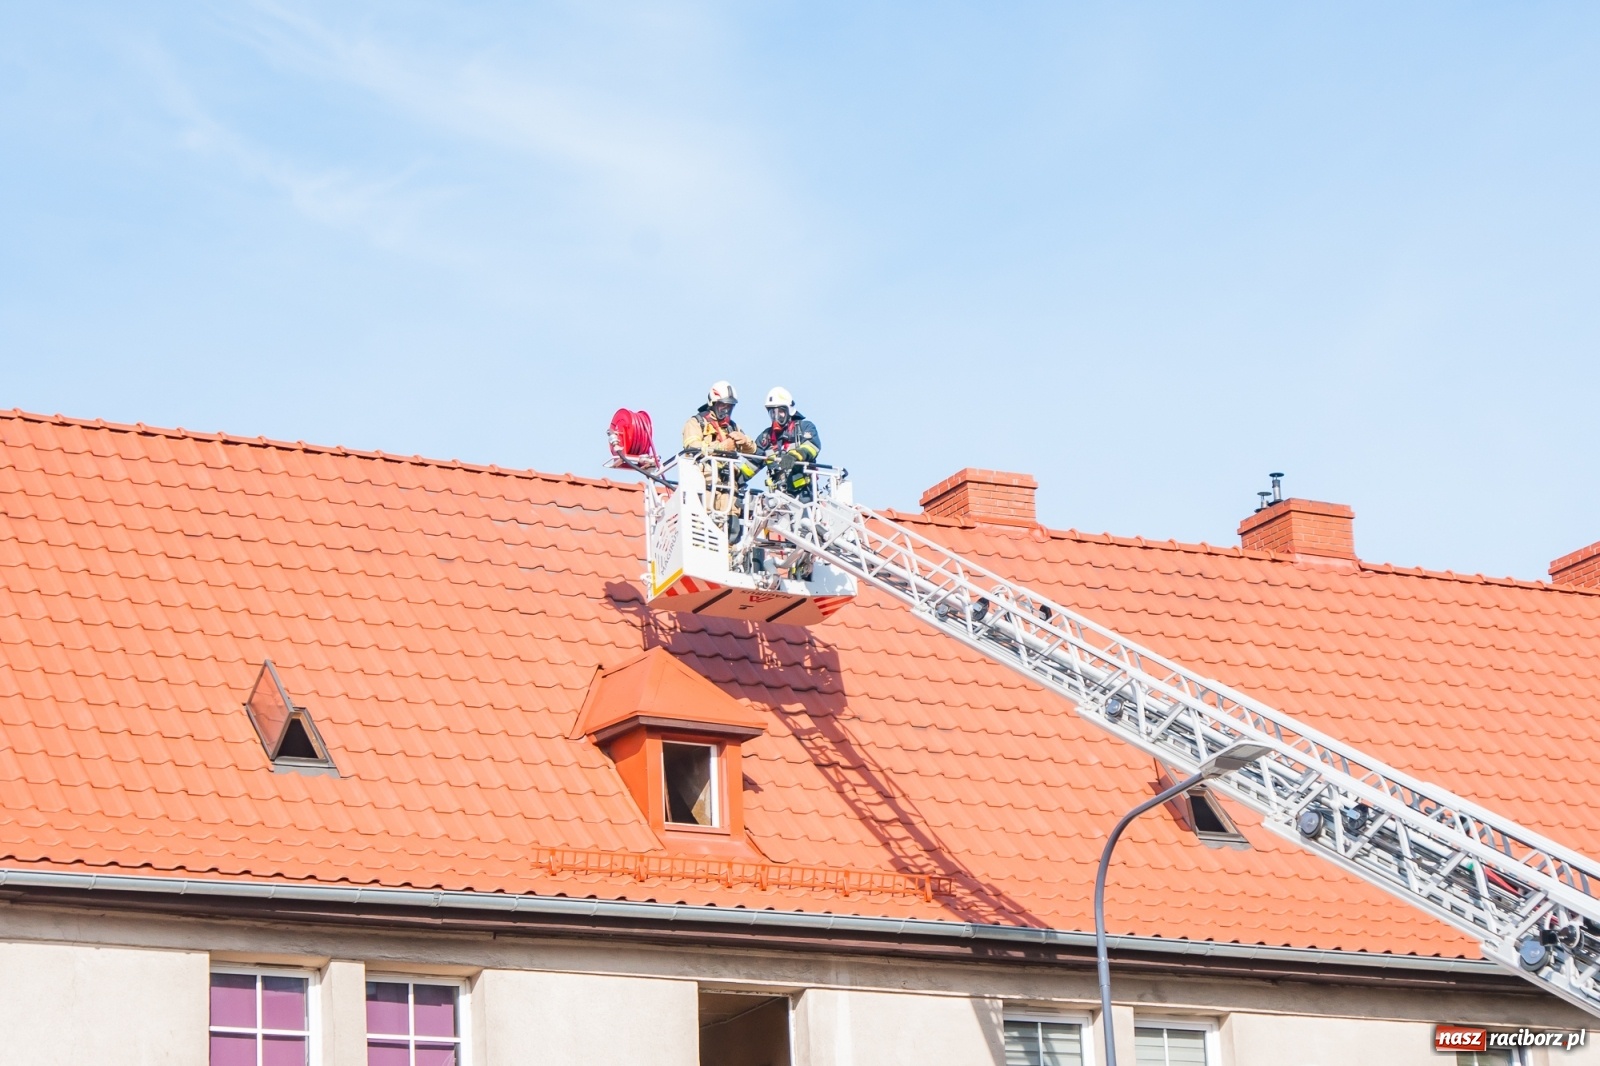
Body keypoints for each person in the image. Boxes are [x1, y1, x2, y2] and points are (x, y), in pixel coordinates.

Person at [681, 381, 757, 527]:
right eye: (723, 406)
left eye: (730, 406)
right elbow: (692, 447)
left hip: (729, 487)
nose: (726, 410)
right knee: (704, 526)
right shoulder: (696, 423)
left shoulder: (733, 427)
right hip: (707, 485)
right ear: (713, 404)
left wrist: (745, 441)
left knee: (732, 529)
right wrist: (722, 447)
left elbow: (753, 450)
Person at [756, 387, 821, 500]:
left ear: (789, 410)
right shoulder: (765, 437)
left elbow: (812, 446)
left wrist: (794, 456)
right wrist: (735, 478)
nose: (776, 416)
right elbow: (752, 463)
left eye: (780, 411)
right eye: (772, 412)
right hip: (776, 499)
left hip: (804, 495)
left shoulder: (804, 427)